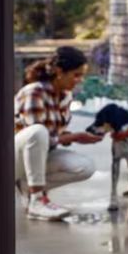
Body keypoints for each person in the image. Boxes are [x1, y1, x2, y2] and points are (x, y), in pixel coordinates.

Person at [15, 46, 103, 220]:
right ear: (59, 71)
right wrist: (74, 137)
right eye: (76, 75)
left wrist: (75, 137)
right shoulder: (34, 92)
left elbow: (53, 136)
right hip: (10, 158)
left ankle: (26, 186)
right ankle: (37, 199)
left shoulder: (65, 96)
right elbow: (37, 136)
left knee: (85, 166)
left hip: (37, 156)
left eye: (82, 75)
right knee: (37, 132)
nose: (79, 80)